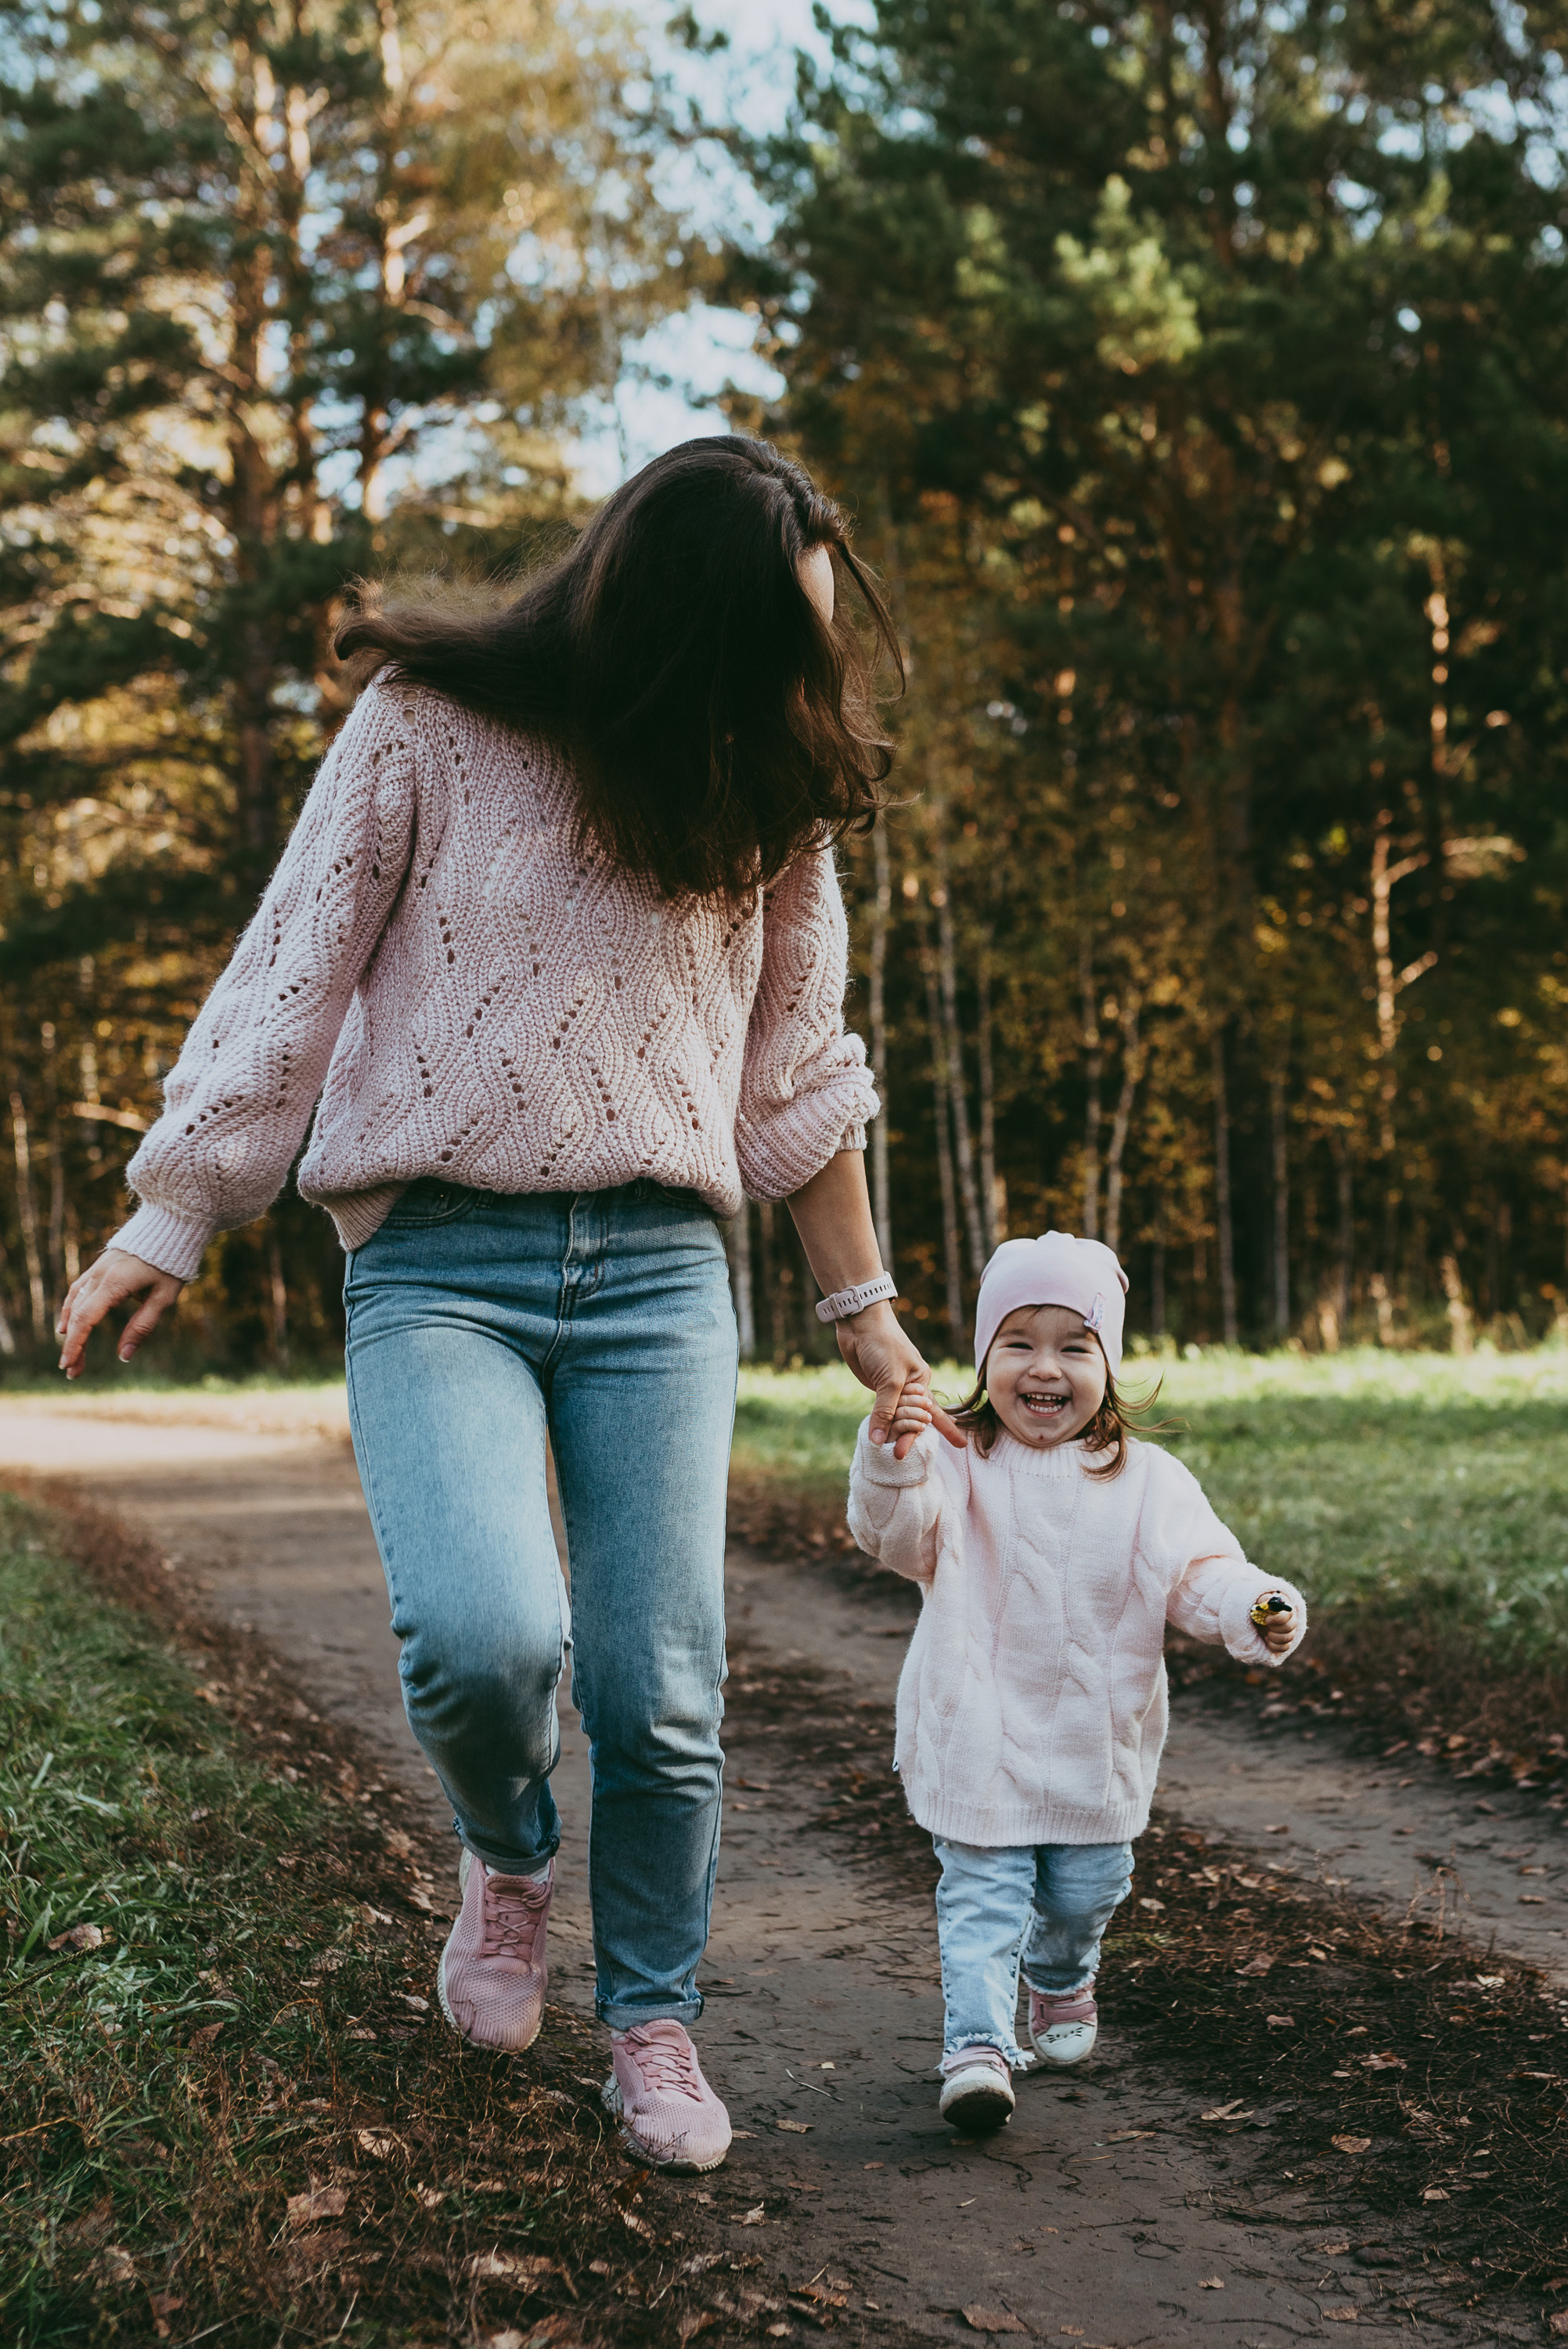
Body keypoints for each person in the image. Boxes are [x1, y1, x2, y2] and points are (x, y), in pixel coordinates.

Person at [55, 435, 953, 2176]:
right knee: (485, 1644)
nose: (808, 683)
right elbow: (291, 978)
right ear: (675, 621)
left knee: (663, 1682)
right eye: (783, 642)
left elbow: (794, 1078)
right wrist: (169, 1216)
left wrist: (868, 1317)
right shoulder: (423, 728)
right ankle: (507, 1855)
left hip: (657, 1277)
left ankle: (651, 2023)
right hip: (435, 1261)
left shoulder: (759, 792)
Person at [846, 1229, 1306, 2136]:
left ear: (1109, 1362)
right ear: (983, 1358)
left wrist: (1255, 1601)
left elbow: (1197, 1573)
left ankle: (1059, 1977)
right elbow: (895, 1541)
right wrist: (893, 1457)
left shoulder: (1143, 1481)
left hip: (1093, 1747)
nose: (1042, 1367)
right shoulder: (956, 1460)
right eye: (1017, 1342)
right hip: (977, 1733)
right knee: (980, 1897)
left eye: (1073, 1344)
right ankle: (974, 2048)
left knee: (1084, 1890)